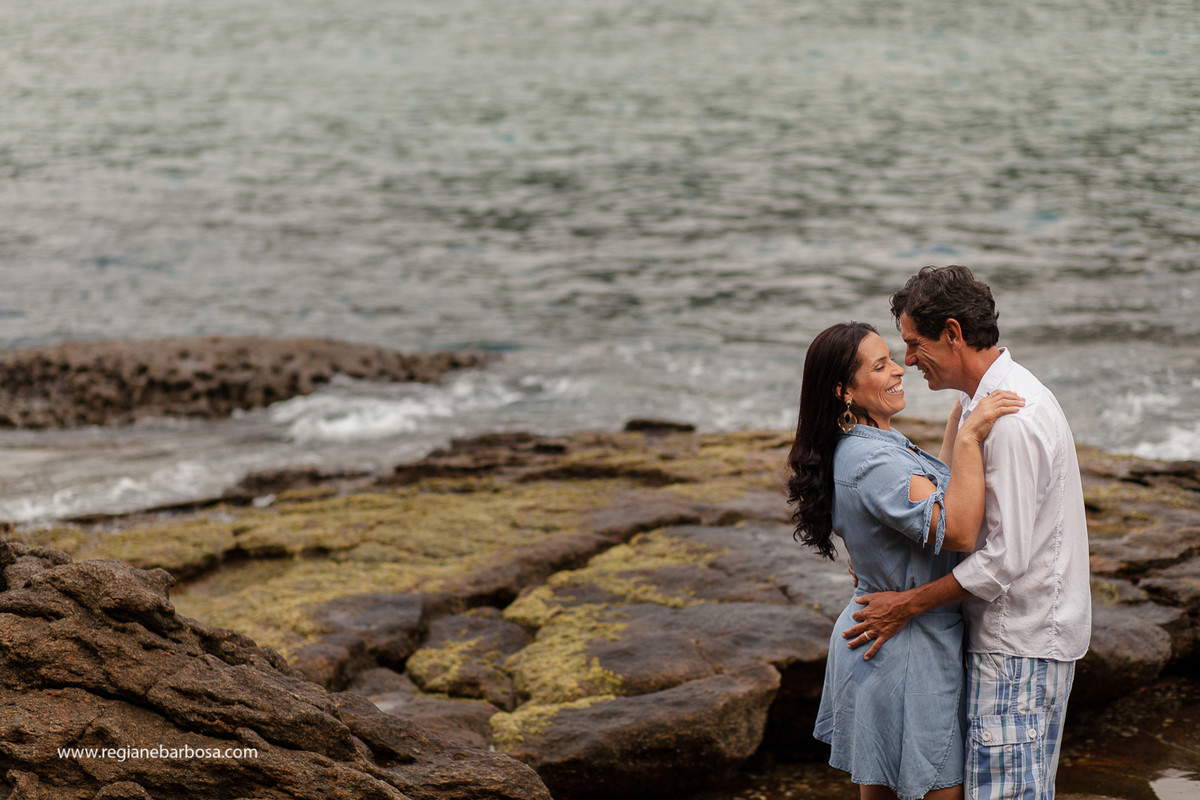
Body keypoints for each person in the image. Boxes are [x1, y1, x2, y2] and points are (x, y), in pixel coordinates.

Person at [842, 265, 1092, 800]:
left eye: (912, 344)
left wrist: (906, 602)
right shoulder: (981, 405)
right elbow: (954, 501)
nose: (908, 360)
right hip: (1011, 639)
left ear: (952, 334)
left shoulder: (1012, 419)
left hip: (1017, 644)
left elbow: (1002, 558)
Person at [787, 320, 1023, 800]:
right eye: (881, 365)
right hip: (902, 651)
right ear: (844, 390)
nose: (900, 369)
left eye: (894, 357)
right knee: (939, 791)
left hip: (883, 640)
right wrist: (968, 440)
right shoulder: (873, 460)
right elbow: (955, 529)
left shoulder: (870, 446)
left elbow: (924, 496)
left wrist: (963, 410)